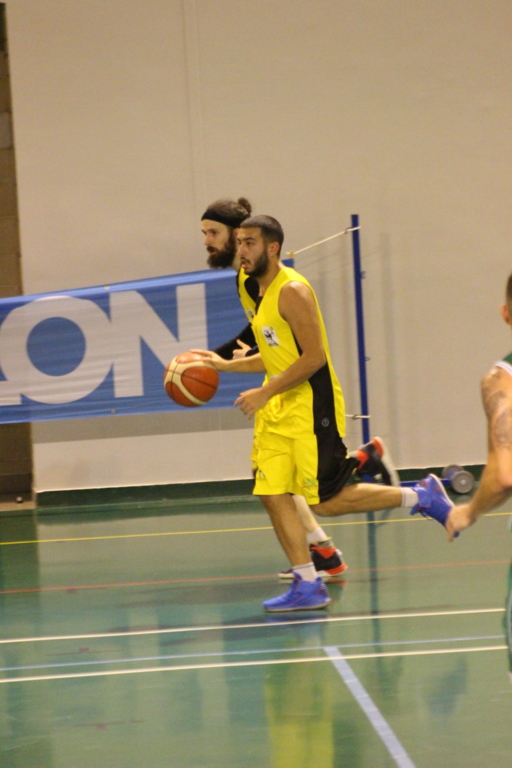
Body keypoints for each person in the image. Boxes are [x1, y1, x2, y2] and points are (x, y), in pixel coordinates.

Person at [194, 214, 446, 611]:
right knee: (271, 492)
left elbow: (313, 358)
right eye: (239, 242)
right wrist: (225, 366)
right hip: (278, 406)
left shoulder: (292, 291)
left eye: (250, 243)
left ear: (273, 247)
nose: (241, 250)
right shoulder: (255, 290)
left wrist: (265, 392)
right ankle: (308, 583)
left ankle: (419, 496)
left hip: (310, 404)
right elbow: (276, 356)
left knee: (324, 501)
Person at [200, 197, 386, 580]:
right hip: (278, 393)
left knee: (316, 497)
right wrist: (225, 361)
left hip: (300, 396)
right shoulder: (248, 281)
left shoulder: (280, 285)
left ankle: (332, 536)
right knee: (272, 484)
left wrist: (232, 363)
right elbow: (264, 335)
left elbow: (301, 350)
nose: (207, 241)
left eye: (213, 233)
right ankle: (320, 553)